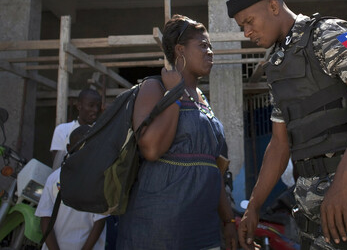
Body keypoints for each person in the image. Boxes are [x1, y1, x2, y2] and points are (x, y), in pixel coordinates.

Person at [228, 0, 347, 250]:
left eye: (249, 22)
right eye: (241, 26)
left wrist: (342, 181)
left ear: (272, 6)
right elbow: (280, 144)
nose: (246, 32)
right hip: (309, 201)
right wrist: (254, 206)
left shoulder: (326, 33)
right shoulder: (278, 64)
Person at [116, 14, 237, 250]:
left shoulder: (202, 99)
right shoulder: (154, 88)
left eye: (210, 46)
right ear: (180, 50)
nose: (210, 52)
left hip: (203, 229)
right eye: (203, 45)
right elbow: (151, 149)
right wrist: (174, 95)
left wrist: (228, 219)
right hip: (161, 229)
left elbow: (213, 167)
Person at [36, 125, 107, 250]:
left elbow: (99, 222)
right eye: (81, 146)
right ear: (69, 148)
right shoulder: (54, 179)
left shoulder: (98, 181)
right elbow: (45, 218)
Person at [50, 88, 101, 168]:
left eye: (98, 106)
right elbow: (57, 164)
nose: (95, 110)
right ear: (79, 106)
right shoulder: (62, 130)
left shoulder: (101, 130)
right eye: (91, 105)